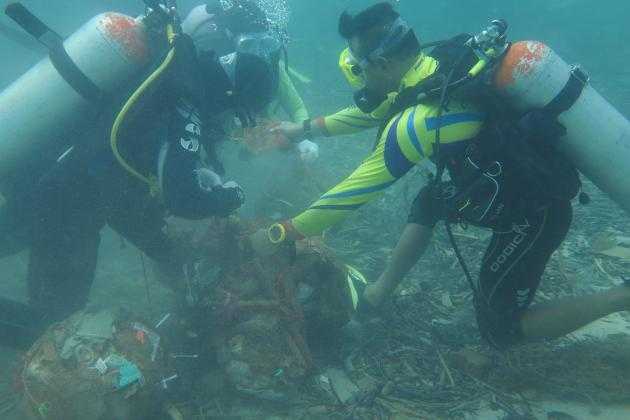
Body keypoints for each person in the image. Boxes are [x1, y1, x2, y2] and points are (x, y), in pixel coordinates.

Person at [250, 2, 630, 350]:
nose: (359, 80)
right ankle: (378, 294)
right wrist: (302, 128)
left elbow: (351, 193)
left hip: (532, 216)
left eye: (360, 68)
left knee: (502, 328)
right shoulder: (435, 72)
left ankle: (622, 295)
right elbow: (371, 112)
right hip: (506, 189)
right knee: (430, 200)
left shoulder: (418, 123)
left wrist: (283, 231)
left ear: (382, 64)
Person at [0, 16, 276, 349]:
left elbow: (120, 191)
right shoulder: (185, 102)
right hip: (62, 207)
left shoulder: (169, 75)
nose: (226, 123)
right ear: (231, 93)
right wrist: (229, 196)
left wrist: (166, 251)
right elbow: (183, 199)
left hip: (36, 179)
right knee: (54, 328)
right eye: (235, 113)